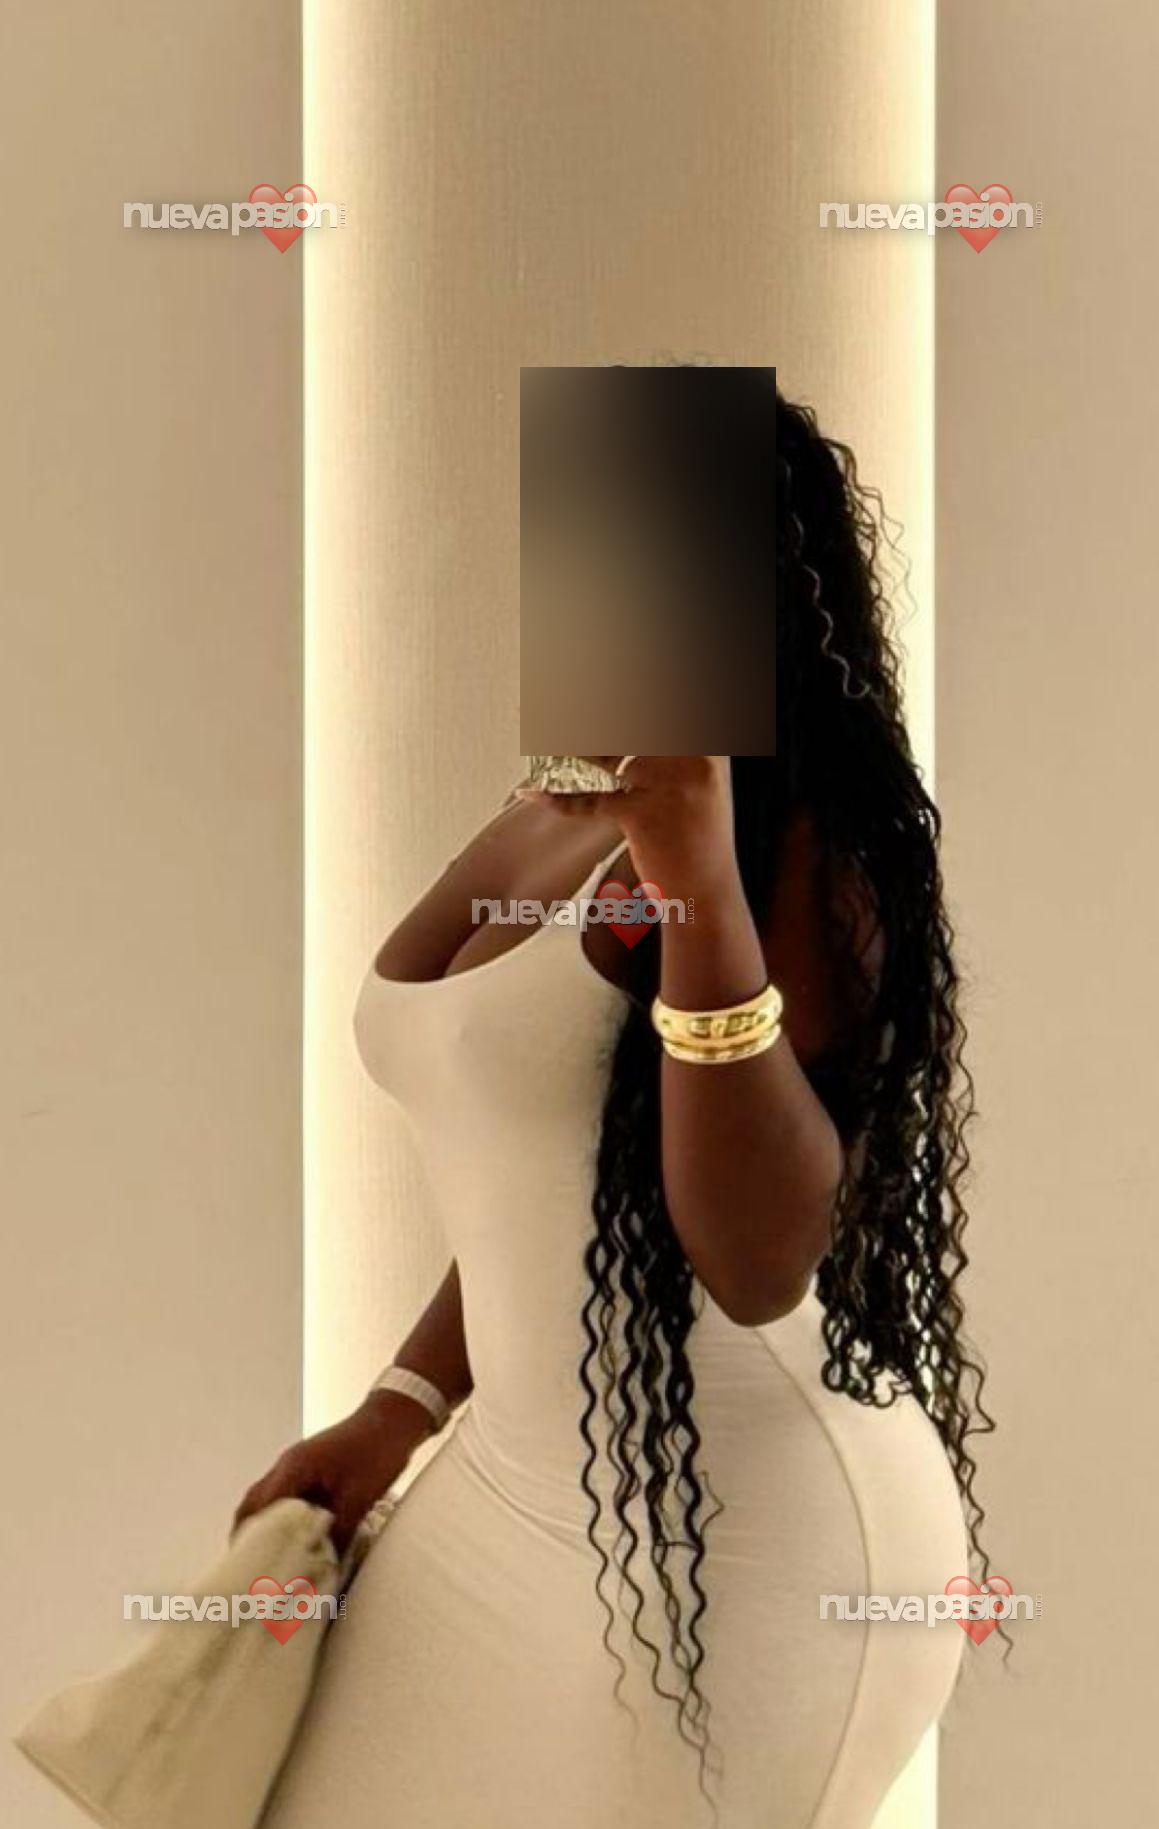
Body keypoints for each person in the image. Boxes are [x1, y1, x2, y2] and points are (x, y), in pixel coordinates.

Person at [236, 382, 993, 1828]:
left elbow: (755, 1259)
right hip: (509, 1496)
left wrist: (699, 885)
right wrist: (401, 1406)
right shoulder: (545, 816)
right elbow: (550, 1175)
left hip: (742, 1541)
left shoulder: (805, 849)